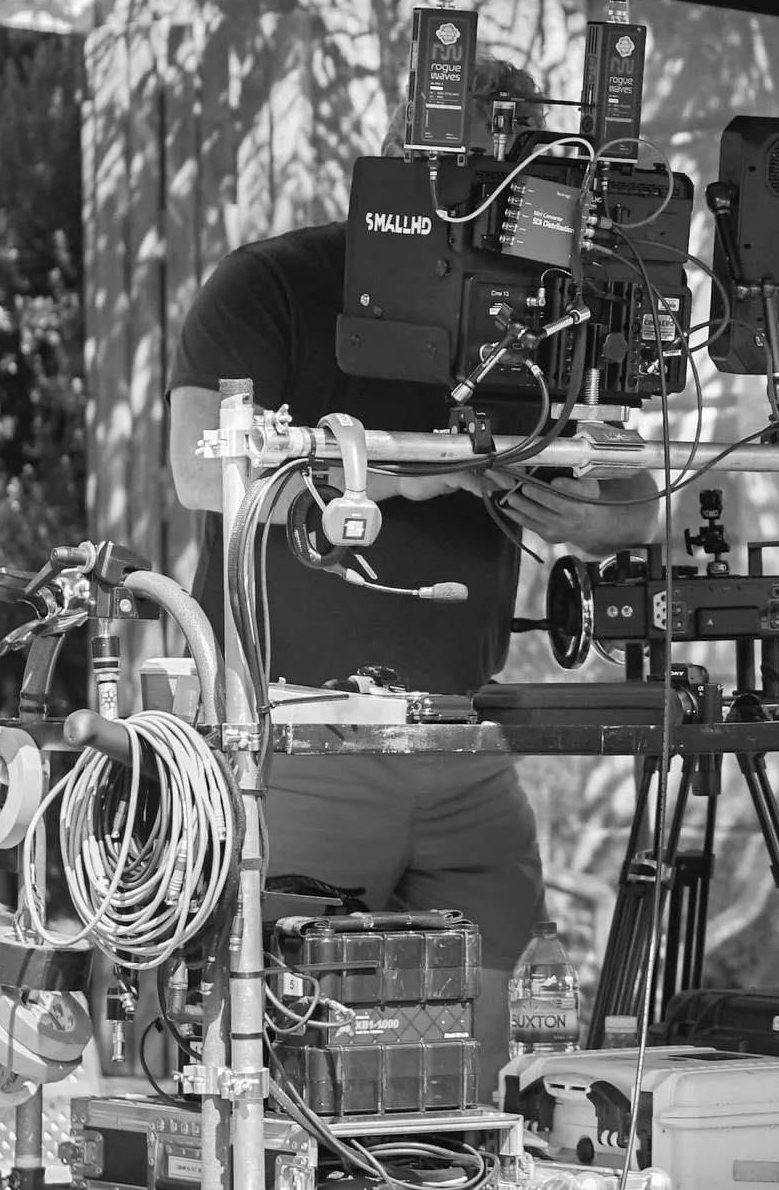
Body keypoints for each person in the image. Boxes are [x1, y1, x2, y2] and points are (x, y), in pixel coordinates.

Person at [166, 57, 659, 1089]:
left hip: (464, 741)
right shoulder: (273, 282)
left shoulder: (545, 316)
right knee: (291, 1076)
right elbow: (199, 472)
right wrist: (404, 475)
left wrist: (596, 515)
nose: (485, 216)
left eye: (510, 190)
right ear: (400, 164)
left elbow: (631, 504)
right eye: (463, 182)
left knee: (480, 1080)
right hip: (297, 737)